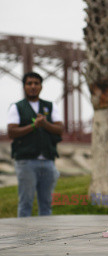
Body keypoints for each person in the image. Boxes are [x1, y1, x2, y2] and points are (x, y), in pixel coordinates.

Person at [7, 72, 63, 217]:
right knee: (25, 203)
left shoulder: (50, 106)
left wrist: (44, 124)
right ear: (24, 86)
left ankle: (45, 237)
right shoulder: (17, 107)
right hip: (25, 162)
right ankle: (25, 238)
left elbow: (60, 129)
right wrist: (34, 126)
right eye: (29, 83)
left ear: (41, 86)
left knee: (46, 204)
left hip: (48, 161)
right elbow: (12, 132)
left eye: (36, 83)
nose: (33, 86)